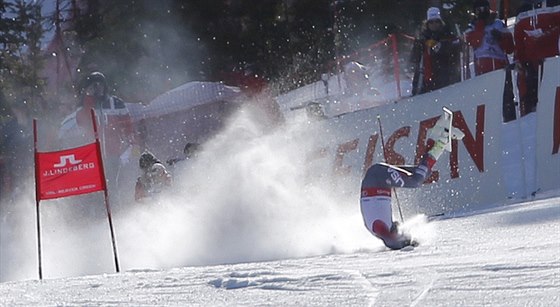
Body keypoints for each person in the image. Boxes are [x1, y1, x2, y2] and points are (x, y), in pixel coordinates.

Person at [360, 109, 465, 250]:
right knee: (421, 173)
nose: (400, 231)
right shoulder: (384, 228)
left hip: (376, 177)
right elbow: (392, 238)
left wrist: (405, 244)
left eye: (400, 235)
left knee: (415, 181)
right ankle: (434, 138)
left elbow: (390, 241)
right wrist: (408, 240)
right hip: (379, 180)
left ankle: (441, 141)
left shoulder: (380, 229)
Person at [465, 0, 516, 122]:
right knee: (486, 99)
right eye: (479, 10)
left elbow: (510, 48)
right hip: (483, 70)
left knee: (506, 97)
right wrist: (481, 25)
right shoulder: (471, 27)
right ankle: (489, 124)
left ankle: (510, 122)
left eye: (484, 9)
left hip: (501, 67)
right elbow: (473, 41)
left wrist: (501, 37)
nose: (482, 12)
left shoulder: (498, 24)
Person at [514, 0, 560, 116]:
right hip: (532, 65)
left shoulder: (554, 4)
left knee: (552, 100)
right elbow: (518, 40)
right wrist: (520, 60)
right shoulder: (522, 12)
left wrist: (545, 36)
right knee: (534, 105)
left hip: (552, 61)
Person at [410, 7, 462, 96]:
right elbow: (414, 59)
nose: (434, 24)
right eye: (431, 22)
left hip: (444, 80)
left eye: (436, 21)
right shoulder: (422, 39)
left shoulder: (447, 36)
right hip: (426, 81)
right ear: (427, 24)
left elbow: (455, 52)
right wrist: (419, 45)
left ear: (440, 22)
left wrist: (440, 46)